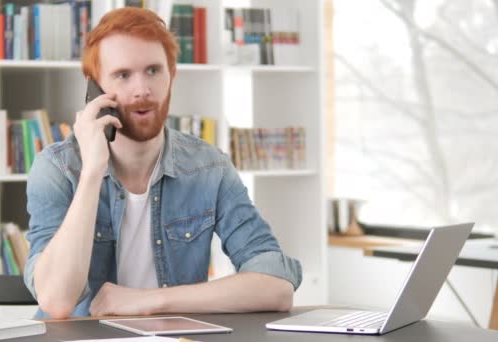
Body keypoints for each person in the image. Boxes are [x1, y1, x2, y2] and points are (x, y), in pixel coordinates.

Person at [24, 7, 302, 319]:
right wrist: (91, 172)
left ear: (172, 75)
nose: (142, 89)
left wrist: (147, 301)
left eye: (154, 70)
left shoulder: (208, 167)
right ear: (96, 89)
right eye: (123, 75)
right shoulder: (57, 168)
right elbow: (57, 302)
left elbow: (277, 288)